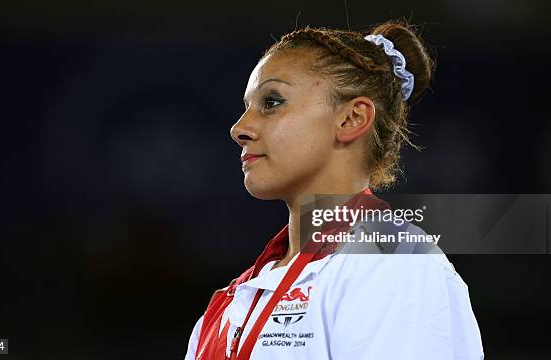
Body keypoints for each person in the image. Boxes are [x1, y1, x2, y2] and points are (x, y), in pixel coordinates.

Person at [184, 20, 484, 359]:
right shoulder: (235, 300)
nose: (240, 128)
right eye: (246, 107)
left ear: (352, 119)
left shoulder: (394, 265)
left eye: (272, 102)